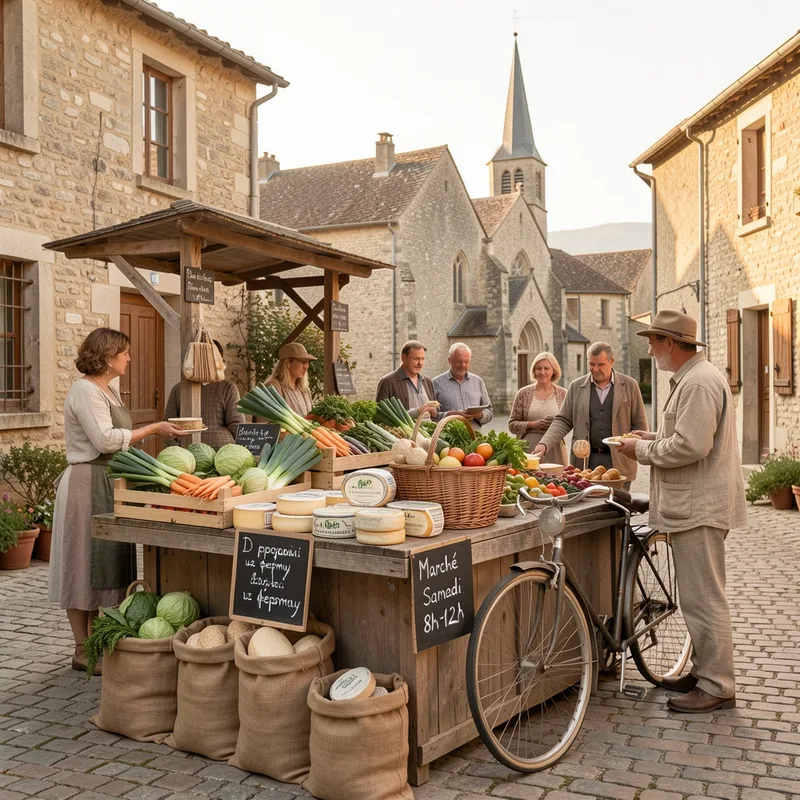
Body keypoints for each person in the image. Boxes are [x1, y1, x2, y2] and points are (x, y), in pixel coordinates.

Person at [617, 310, 746, 713]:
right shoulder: (694, 378)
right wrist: (654, 436)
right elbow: (689, 434)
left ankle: (718, 685)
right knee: (696, 597)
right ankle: (704, 671)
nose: (650, 349)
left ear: (670, 343)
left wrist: (641, 449)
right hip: (695, 504)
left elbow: (692, 446)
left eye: (653, 341)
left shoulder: (698, 382)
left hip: (699, 506)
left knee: (704, 598)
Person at [48, 328, 184, 672]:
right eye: (124, 353)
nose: (129, 358)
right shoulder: (84, 391)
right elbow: (105, 441)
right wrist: (154, 428)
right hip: (87, 484)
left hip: (109, 481)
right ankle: (81, 650)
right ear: (108, 356)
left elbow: (118, 440)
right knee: (83, 563)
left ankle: (98, 641)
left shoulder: (107, 390)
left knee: (108, 561)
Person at [532, 342, 648, 484]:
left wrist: (639, 451)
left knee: (617, 499)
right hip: (585, 464)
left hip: (620, 463)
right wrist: (544, 444)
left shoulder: (630, 385)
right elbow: (563, 420)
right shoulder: (576, 386)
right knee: (586, 498)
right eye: (591, 364)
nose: (595, 369)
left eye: (600, 365)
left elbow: (640, 425)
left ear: (611, 361)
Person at [163, 340, 244, 449]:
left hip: (219, 450)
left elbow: (237, 427)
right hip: (191, 450)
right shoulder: (178, 390)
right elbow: (167, 427)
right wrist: (178, 450)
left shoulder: (227, 388)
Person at [508, 352, 568, 464]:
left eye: (546, 368)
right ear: (534, 371)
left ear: (554, 371)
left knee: (556, 475)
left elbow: (568, 423)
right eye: (538, 368)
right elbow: (512, 425)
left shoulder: (563, 394)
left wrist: (555, 425)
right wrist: (532, 424)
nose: (542, 372)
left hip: (555, 449)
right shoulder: (523, 393)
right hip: (528, 449)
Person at [432, 343, 493, 429]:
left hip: (475, 435)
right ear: (449, 360)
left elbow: (489, 411)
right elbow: (431, 416)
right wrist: (449, 415)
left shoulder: (478, 381)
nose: (462, 365)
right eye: (458, 361)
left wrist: (481, 415)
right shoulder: (435, 383)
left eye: (466, 362)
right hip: (447, 436)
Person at [376, 340, 440, 420]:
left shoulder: (427, 382)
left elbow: (435, 416)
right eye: (416, 359)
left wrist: (437, 414)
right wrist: (417, 412)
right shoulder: (387, 382)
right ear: (403, 358)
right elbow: (380, 415)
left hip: (430, 428)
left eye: (422, 359)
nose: (420, 363)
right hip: (403, 429)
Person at [266, 342, 316, 417]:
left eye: (307, 362)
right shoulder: (273, 387)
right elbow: (267, 419)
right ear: (288, 363)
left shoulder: (305, 390)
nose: (306, 366)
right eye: (303, 362)